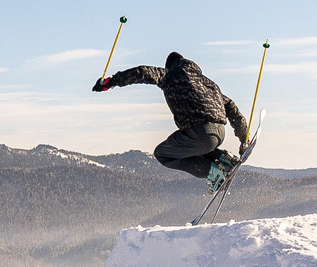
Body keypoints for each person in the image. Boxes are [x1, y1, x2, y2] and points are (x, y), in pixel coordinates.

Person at [94, 51, 251, 179]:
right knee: (194, 145)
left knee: (163, 154)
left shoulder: (170, 74)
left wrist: (111, 82)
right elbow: (231, 106)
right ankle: (223, 159)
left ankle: (213, 173)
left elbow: (142, 72)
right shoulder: (208, 83)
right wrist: (244, 138)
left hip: (199, 133)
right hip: (219, 133)